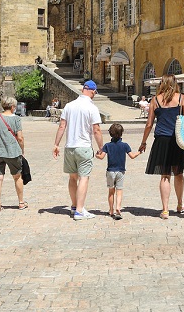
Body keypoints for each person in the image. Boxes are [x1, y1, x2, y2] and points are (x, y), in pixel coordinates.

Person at [138, 74, 184, 220]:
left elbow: (149, 124)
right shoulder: (182, 99)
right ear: (175, 84)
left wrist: (143, 142)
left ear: (161, 84)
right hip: (177, 139)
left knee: (165, 175)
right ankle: (180, 204)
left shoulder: (155, 100)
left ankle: (165, 210)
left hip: (161, 139)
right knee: (179, 173)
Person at [53, 81, 104, 220]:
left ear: (83, 90)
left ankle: (75, 206)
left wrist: (56, 144)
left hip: (69, 147)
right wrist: (101, 148)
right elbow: (96, 130)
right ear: (93, 91)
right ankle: (80, 211)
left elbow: (62, 126)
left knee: (72, 178)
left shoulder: (69, 106)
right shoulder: (92, 107)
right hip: (84, 147)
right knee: (84, 178)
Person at [0, 96, 26, 212]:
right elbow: (20, 138)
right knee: (17, 176)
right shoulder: (16, 119)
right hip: (13, 152)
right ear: (13, 106)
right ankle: (21, 203)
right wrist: (22, 150)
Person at [97, 122, 139, 220]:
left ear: (110, 134)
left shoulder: (107, 146)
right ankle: (118, 208)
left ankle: (111, 210)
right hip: (121, 171)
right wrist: (139, 152)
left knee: (111, 191)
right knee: (119, 191)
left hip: (110, 171)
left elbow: (101, 157)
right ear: (121, 134)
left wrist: (97, 155)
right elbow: (132, 156)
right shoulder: (125, 145)